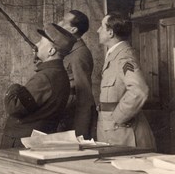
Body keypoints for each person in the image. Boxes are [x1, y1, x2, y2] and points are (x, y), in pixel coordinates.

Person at [1, 23, 76, 174]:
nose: (37, 43)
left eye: (41, 41)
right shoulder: (58, 74)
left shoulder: (44, 77)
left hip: (22, 143)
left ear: (51, 51)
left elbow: (15, 107)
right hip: (35, 142)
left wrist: (14, 88)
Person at [96, 12, 155, 149]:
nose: (98, 30)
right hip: (111, 130)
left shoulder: (124, 57)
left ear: (110, 33)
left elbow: (139, 90)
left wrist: (118, 117)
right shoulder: (113, 55)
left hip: (122, 131)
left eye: (101, 27)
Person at [57, 10, 97, 140]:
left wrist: (81, 132)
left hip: (73, 119)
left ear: (73, 30)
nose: (59, 23)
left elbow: (84, 93)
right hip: (66, 114)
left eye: (63, 22)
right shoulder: (70, 51)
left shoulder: (80, 54)